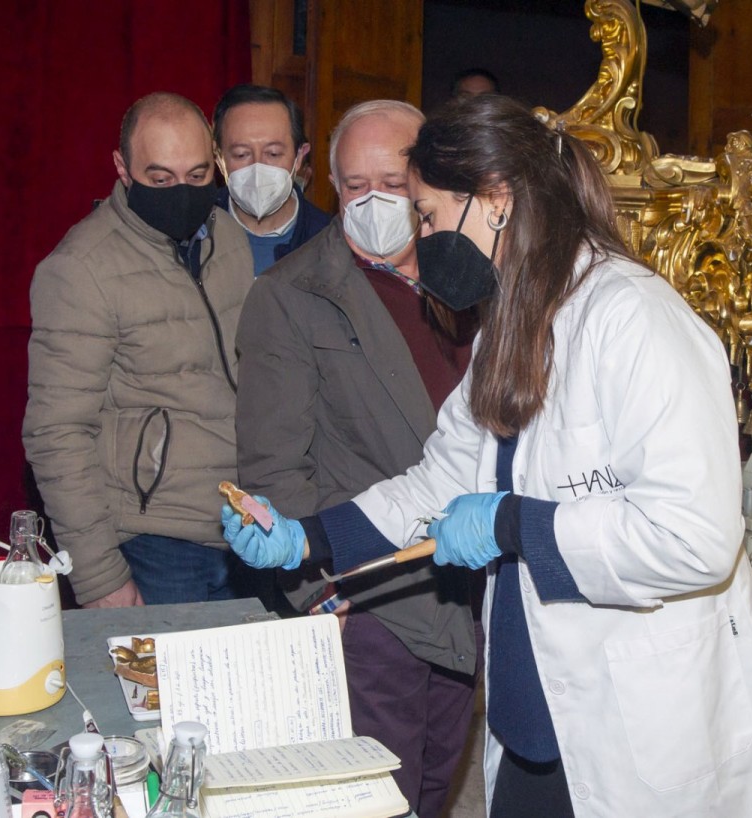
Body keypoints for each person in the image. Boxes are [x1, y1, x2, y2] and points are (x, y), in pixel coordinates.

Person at [223, 94, 752, 816]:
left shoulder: (635, 317)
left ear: (496, 201)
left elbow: (697, 536)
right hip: (535, 700)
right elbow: (440, 477)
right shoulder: (511, 317)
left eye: (431, 214)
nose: (423, 233)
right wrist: (308, 539)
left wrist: (516, 526)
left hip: (630, 715)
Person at [233, 99, 479, 818]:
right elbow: (273, 466)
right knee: (378, 798)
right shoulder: (292, 295)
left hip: (465, 583)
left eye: (393, 184)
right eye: (353, 186)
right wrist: (316, 595)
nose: (372, 203)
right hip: (370, 600)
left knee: (437, 783)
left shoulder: (465, 280)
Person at [24, 92, 253, 608]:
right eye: (161, 178)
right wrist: (100, 575)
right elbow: (56, 432)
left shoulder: (229, 240)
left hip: (246, 531)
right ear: (122, 169)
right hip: (154, 540)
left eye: (198, 176)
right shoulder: (82, 268)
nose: (182, 192)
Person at [212, 84, 331, 275]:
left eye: (273, 154)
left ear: (299, 156)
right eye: (242, 154)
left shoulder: (328, 240)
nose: (258, 167)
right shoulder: (196, 235)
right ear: (219, 158)